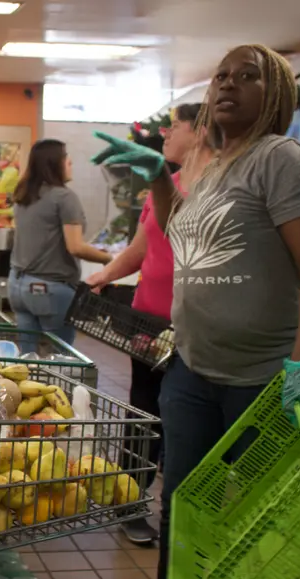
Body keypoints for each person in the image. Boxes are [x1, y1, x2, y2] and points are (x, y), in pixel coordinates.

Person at [92, 45, 300, 579]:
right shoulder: (217, 164)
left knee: (257, 515)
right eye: (221, 76)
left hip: (264, 380)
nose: (227, 85)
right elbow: (184, 233)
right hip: (193, 370)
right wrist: (160, 177)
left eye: (246, 77)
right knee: (181, 505)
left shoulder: (284, 160)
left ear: (274, 92)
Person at [86, 103, 214, 545]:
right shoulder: (164, 185)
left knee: (187, 417)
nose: (164, 131)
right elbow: (140, 249)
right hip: (149, 325)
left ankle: (181, 509)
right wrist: (106, 273)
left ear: (199, 131)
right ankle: (131, 501)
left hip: (198, 327)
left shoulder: (220, 189)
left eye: (174, 125)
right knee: (144, 413)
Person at [9, 139, 112, 346]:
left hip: (17, 285)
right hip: (49, 289)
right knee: (60, 356)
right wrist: (110, 259)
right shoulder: (64, 197)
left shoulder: (24, 195)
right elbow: (75, 246)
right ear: (55, 163)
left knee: (27, 357)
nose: (70, 163)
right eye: (67, 159)